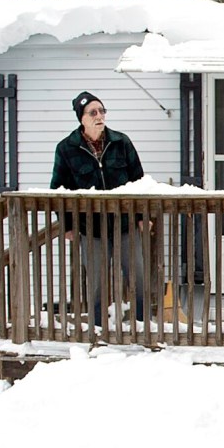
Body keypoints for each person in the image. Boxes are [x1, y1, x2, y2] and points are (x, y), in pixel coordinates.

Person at [51, 91, 146, 326]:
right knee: (95, 282)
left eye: (102, 111)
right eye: (93, 112)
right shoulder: (66, 148)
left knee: (138, 277)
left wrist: (143, 216)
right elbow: (58, 191)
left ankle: (143, 326)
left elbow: (139, 180)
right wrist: (68, 226)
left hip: (125, 225)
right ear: (81, 118)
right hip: (91, 229)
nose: (99, 116)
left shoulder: (121, 142)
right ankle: (98, 329)